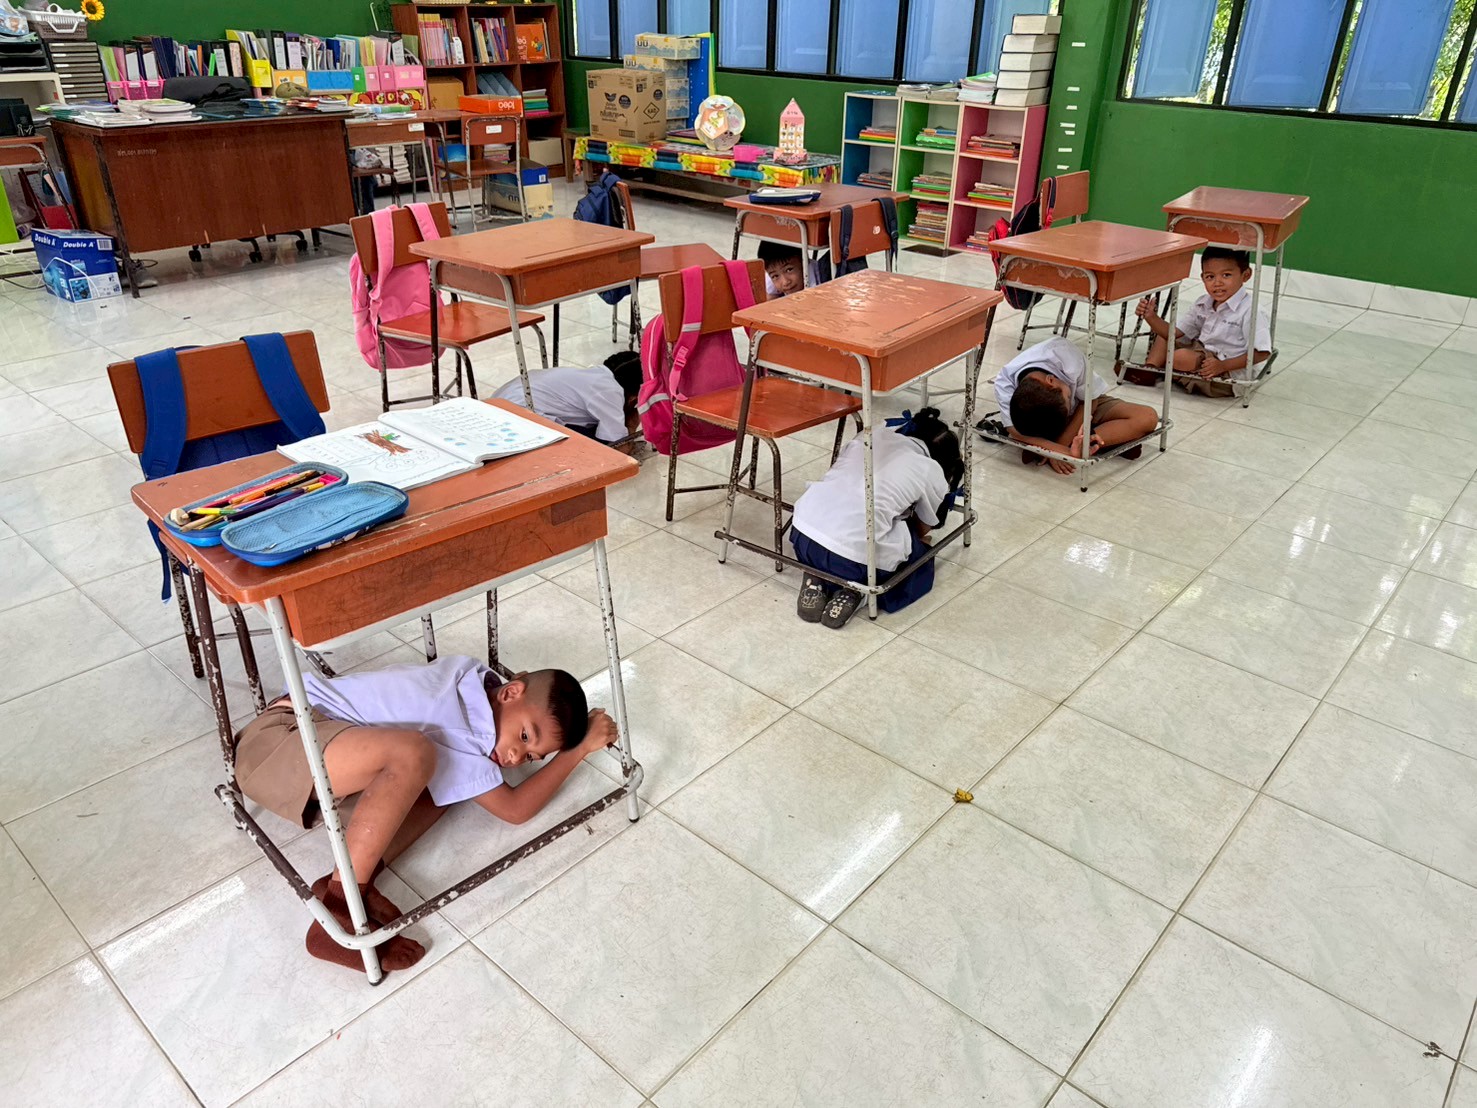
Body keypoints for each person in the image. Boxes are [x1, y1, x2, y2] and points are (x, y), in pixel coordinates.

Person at [233, 655, 618, 974]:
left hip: (327, 750)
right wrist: (578, 751)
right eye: (524, 736)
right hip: (281, 740)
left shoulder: (470, 679)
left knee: (446, 784)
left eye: (531, 757)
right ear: (509, 692)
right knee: (417, 754)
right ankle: (340, 905)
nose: (517, 757)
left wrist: (527, 732)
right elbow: (515, 810)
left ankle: (350, 880)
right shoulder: (463, 726)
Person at [790, 408, 963, 628]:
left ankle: (817, 576)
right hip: (855, 562)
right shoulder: (930, 469)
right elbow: (923, 528)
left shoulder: (869, 435)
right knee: (915, 553)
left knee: (860, 520)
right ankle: (859, 593)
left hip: (803, 535)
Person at [993, 336, 1158, 474]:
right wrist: (1061, 452)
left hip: (1084, 407)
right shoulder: (1005, 382)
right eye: (1067, 397)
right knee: (1027, 431)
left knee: (1147, 417)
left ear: (1051, 380)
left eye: (1067, 396)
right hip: (1046, 424)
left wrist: (1060, 448)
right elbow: (1014, 429)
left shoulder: (1067, 356)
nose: (1068, 396)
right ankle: (1096, 442)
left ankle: (1076, 444)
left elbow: (1091, 401)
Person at [1130, 246, 1272, 397]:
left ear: (1246, 275)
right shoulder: (1203, 303)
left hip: (1227, 369)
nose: (1217, 283)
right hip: (1202, 354)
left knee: (1179, 357)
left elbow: (1262, 353)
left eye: (1226, 275)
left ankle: (1167, 367)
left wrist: (1222, 366)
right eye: (1210, 277)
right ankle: (1149, 370)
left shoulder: (1251, 310)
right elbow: (1174, 333)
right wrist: (1150, 316)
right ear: (1203, 277)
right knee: (1167, 335)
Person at [492, 351, 643, 445]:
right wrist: (631, 424)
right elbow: (618, 449)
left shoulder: (594, 376)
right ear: (633, 398)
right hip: (516, 420)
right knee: (593, 449)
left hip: (496, 406)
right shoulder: (610, 391)